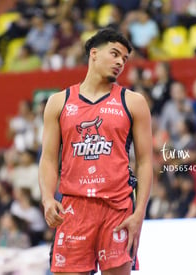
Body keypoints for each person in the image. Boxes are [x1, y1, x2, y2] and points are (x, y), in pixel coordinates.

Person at [39, 28, 152, 274]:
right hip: (74, 207)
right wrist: (48, 199)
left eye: (124, 58)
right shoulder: (59, 102)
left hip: (117, 207)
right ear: (94, 54)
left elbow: (145, 162)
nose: (120, 62)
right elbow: (48, 159)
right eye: (114, 54)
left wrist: (140, 212)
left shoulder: (133, 102)